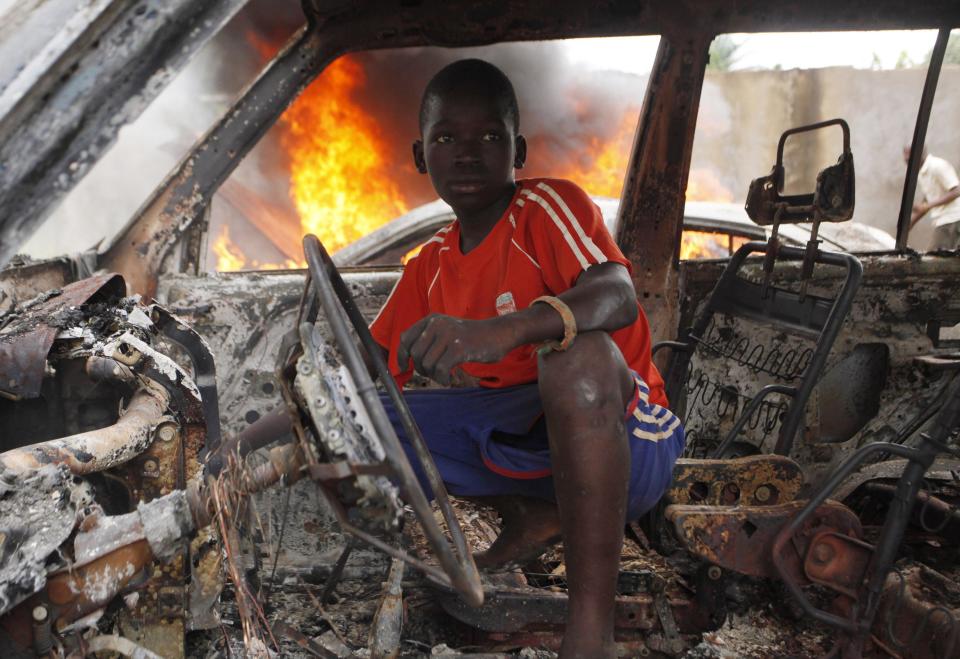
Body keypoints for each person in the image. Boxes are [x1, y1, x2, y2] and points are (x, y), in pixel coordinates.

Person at [369, 59, 684, 658]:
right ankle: (535, 512)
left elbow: (617, 296)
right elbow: (371, 373)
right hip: (527, 444)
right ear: (419, 156)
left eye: (489, 137)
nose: (467, 154)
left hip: (629, 437)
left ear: (519, 151)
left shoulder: (544, 208)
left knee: (576, 355)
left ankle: (590, 635)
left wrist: (502, 331)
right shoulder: (429, 263)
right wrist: (261, 436)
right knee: (360, 419)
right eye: (445, 139)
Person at [903, 145, 960, 250]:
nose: (906, 160)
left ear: (919, 154)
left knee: (934, 259)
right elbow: (928, 200)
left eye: (908, 157)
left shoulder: (938, 166)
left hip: (952, 219)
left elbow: (956, 191)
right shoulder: (921, 171)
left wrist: (927, 205)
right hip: (943, 221)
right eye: (905, 157)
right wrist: (908, 224)